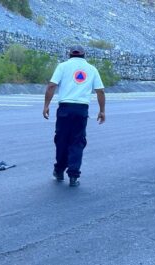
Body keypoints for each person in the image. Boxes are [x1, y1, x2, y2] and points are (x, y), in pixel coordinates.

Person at [43, 45, 106, 187]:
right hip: (81, 110)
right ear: (84, 55)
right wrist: (102, 110)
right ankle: (73, 176)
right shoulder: (91, 69)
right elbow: (100, 91)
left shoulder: (63, 66)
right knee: (77, 141)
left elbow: (51, 86)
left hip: (65, 108)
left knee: (61, 140)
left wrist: (46, 105)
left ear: (69, 54)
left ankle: (59, 170)